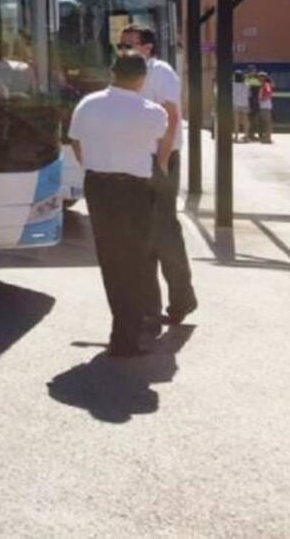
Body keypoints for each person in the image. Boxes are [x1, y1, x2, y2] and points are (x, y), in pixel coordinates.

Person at [68, 54, 171, 356]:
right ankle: (131, 331)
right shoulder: (153, 112)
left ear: (112, 73)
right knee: (137, 259)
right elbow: (158, 139)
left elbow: (76, 141)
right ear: (142, 79)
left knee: (111, 259)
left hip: (99, 187)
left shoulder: (88, 104)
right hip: (136, 190)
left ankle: (122, 328)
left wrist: (92, 164)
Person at [119, 24, 198, 325]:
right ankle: (149, 306)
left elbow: (172, 117)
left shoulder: (160, 72)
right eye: (121, 45)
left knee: (164, 229)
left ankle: (181, 299)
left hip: (159, 159)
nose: (124, 49)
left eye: (130, 44)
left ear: (148, 47)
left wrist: (163, 161)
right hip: (136, 159)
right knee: (142, 231)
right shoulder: (126, 74)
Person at [232, 72, 250, 142]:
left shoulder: (232, 85)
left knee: (236, 121)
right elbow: (249, 94)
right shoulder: (246, 85)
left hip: (235, 104)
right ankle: (246, 136)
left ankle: (236, 137)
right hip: (245, 104)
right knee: (245, 121)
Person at [258, 72, 275, 143]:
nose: (259, 79)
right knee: (266, 122)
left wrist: (262, 98)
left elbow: (269, 92)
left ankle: (268, 138)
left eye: (260, 77)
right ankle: (267, 137)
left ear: (264, 78)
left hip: (265, 106)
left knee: (267, 122)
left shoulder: (266, 84)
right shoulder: (264, 84)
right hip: (264, 106)